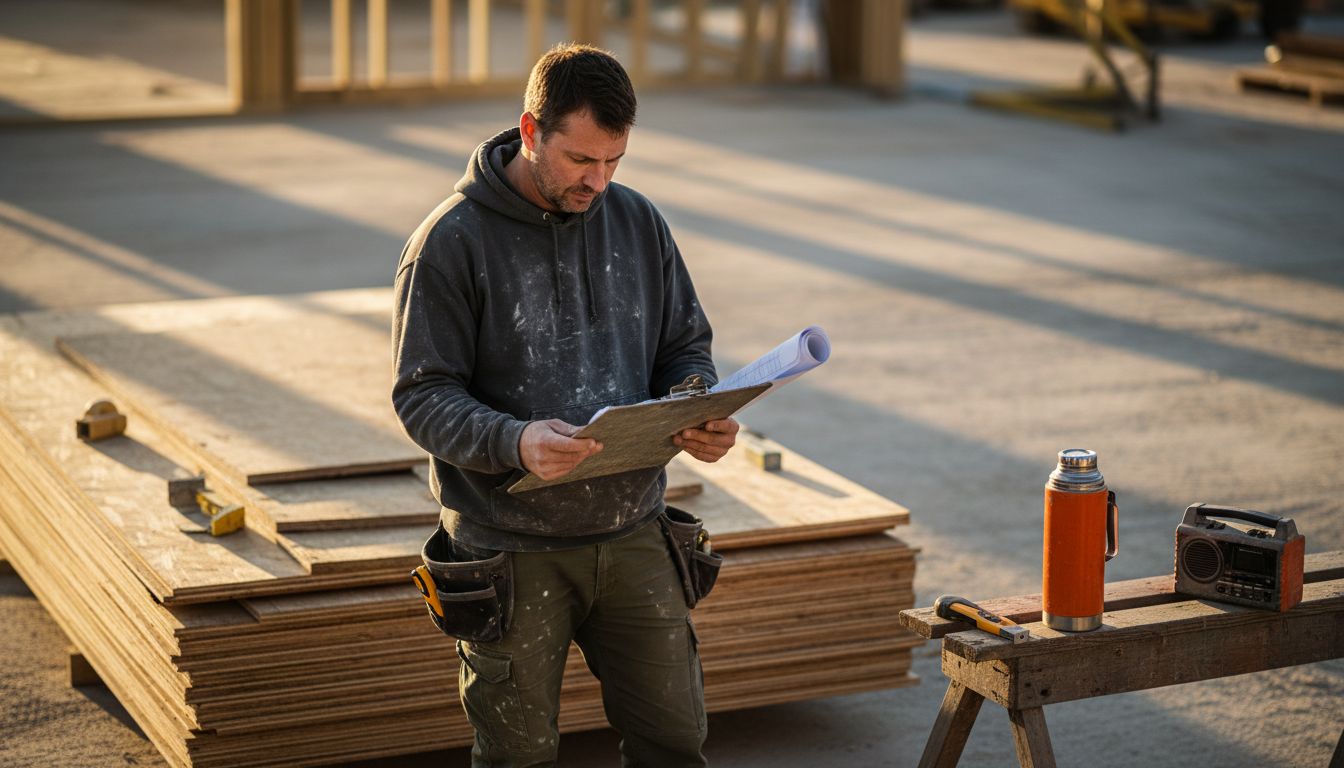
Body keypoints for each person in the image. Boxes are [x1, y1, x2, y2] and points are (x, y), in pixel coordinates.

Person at [392, 43, 738, 767]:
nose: (599, 181)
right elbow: (422, 395)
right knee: (517, 755)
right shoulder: (450, 241)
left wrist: (693, 406)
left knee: (676, 740)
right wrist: (514, 441)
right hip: (509, 546)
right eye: (582, 161)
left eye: (614, 161)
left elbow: (685, 346)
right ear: (529, 131)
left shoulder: (638, 223)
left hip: (634, 529)